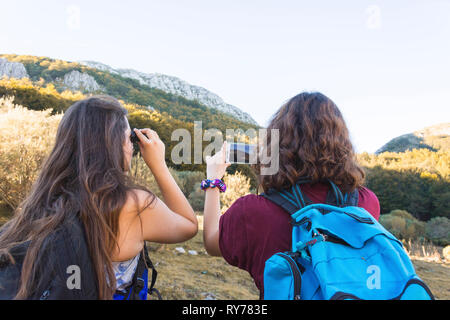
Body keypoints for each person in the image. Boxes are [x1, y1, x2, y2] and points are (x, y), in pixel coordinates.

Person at [0, 95, 198, 299]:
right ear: (113, 144)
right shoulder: (132, 204)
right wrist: (159, 165)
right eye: (129, 138)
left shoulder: (46, 199)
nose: (132, 147)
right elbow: (189, 225)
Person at [202, 92, 380, 299]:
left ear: (276, 144)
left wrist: (213, 180)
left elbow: (211, 242)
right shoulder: (367, 203)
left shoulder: (251, 211)